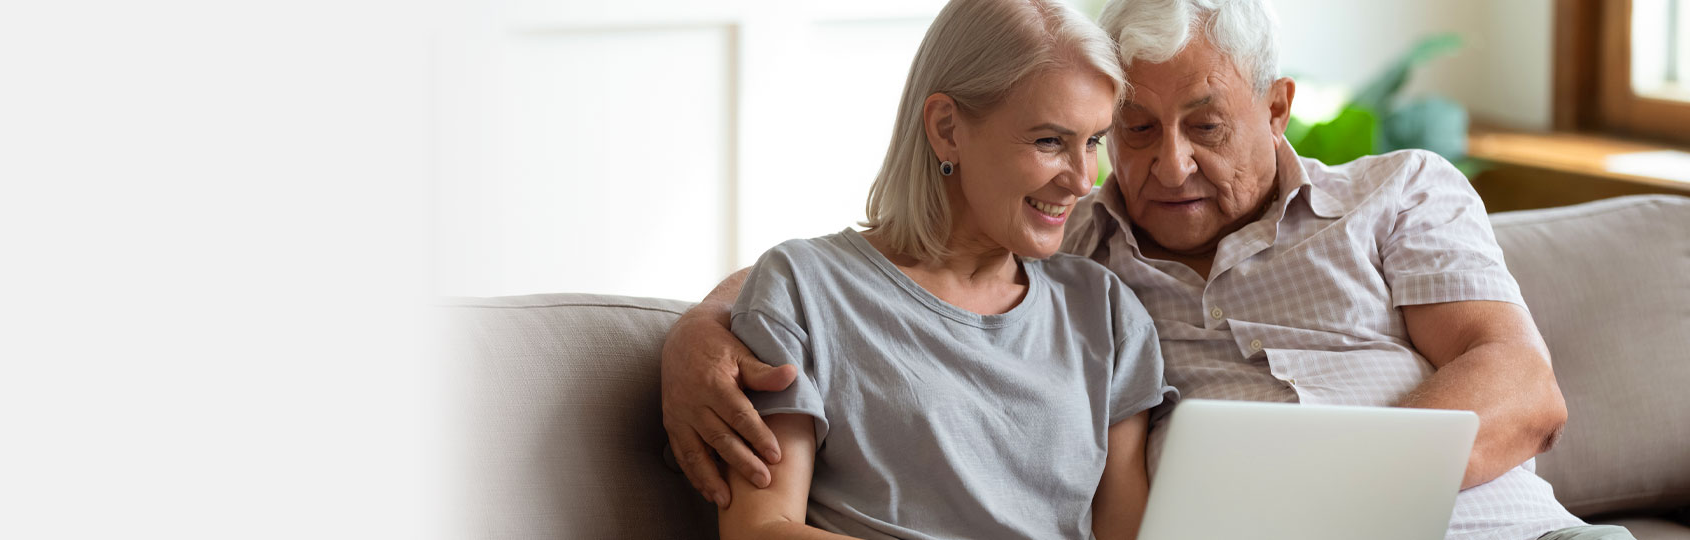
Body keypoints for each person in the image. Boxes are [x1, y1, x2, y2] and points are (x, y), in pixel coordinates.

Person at [665, 0, 1634, 539]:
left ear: (1279, 106)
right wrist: (697, 333)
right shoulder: (1077, 248)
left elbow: (1521, 389)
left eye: (1206, 125)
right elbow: (863, 272)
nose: (1165, 166)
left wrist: (1338, 507)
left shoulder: (1400, 194)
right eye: (1129, 130)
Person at [706, 0, 1175, 538]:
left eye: (1092, 142)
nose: (1082, 179)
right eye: (1050, 141)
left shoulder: (1105, 311)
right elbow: (760, 527)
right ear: (948, 128)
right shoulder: (804, 286)